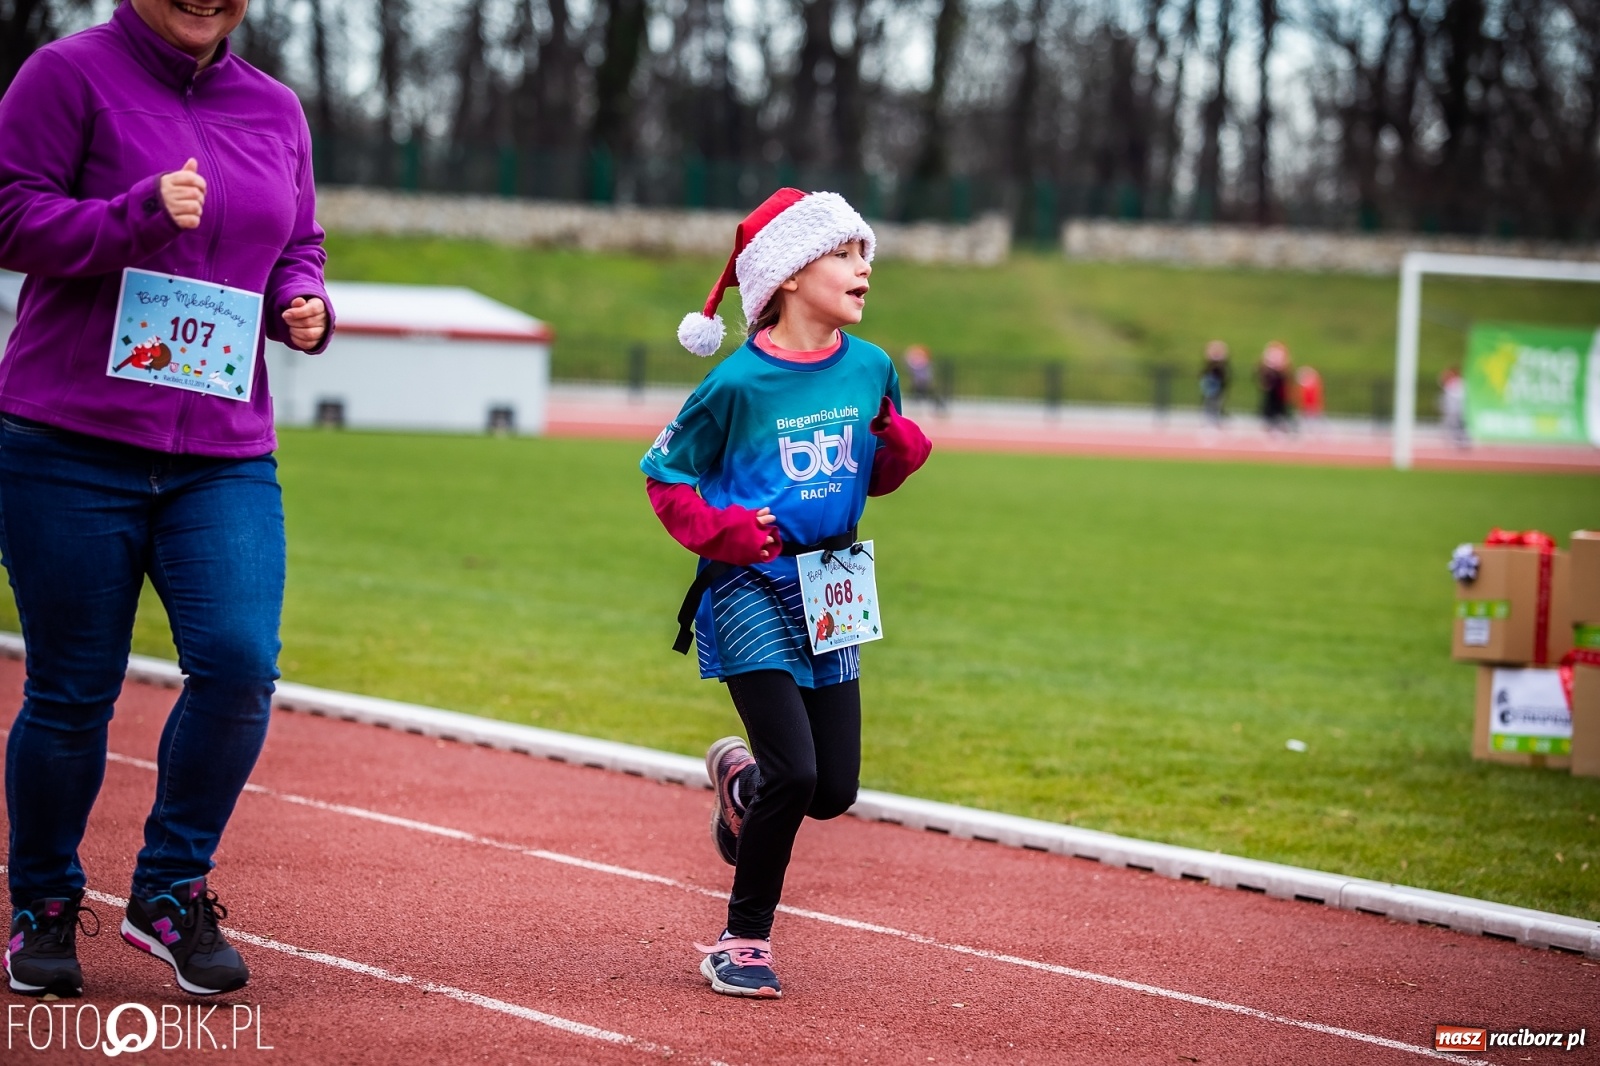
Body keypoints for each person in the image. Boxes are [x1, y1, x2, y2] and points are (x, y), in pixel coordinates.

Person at [0, 0, 331, 999]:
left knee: (238, 665)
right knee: (72, 690)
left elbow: (296, 241)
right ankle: (43, 906)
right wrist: (134, 215)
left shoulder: (274, 107)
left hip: (220, 450)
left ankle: (168, 891)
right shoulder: (66, 75)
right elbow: (11, 218)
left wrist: (301, 304)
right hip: (68, 443)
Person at [643, 189, 931, 998]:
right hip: (747, 586)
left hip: (833, 588)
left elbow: (871, 472)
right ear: (791, 275)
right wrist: (728, 532)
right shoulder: (735, 385)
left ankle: (740, 785)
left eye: (864, 253)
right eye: (845, 253)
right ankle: (741, 941)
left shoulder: (872, 368)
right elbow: (664, 475)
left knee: (832, 790)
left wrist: (902, 452)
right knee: (796, 774)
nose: (864, 267)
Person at [1257, 341, 1292, 433]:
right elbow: (1263, 380)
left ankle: (1280, 421)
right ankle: (1270, 421)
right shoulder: (1267, 371)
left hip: (1280, 394)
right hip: (1271, 395)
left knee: (1280, 406)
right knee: (1270, 405)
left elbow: (1286, 378)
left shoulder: (1282, 372)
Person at [1198, 340, 1230, 425]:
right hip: (1210, 384)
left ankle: (1216, 417)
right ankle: (1207, 417)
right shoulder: (1209, 363)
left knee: (1218, 401)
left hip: (1219, 384)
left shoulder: (1222, 364)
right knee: (1208, 400)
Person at [904, 344, 943, 412]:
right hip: (919, 381)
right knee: (916, 391)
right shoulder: (917, 362)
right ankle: (915, 402)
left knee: (929, 393)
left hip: (924, 381)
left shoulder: (923, 362)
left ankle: (938, 405)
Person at [1440, 365, 1468, 447]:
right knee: (1453, 424)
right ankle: (1456, 440)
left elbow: (1459, 395)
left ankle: (1460, 440)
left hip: (1457, 407)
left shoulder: (1459, 382)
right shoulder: (1454, 383)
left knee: (1458, 424)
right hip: (1452, 408)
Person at [1295, 365, 1324, 430]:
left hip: (1311, 407)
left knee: (1314, 422)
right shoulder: (1305, 387)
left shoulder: (1312, 387)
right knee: (1305, 421)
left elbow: (1314, 398)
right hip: (1307, 407)